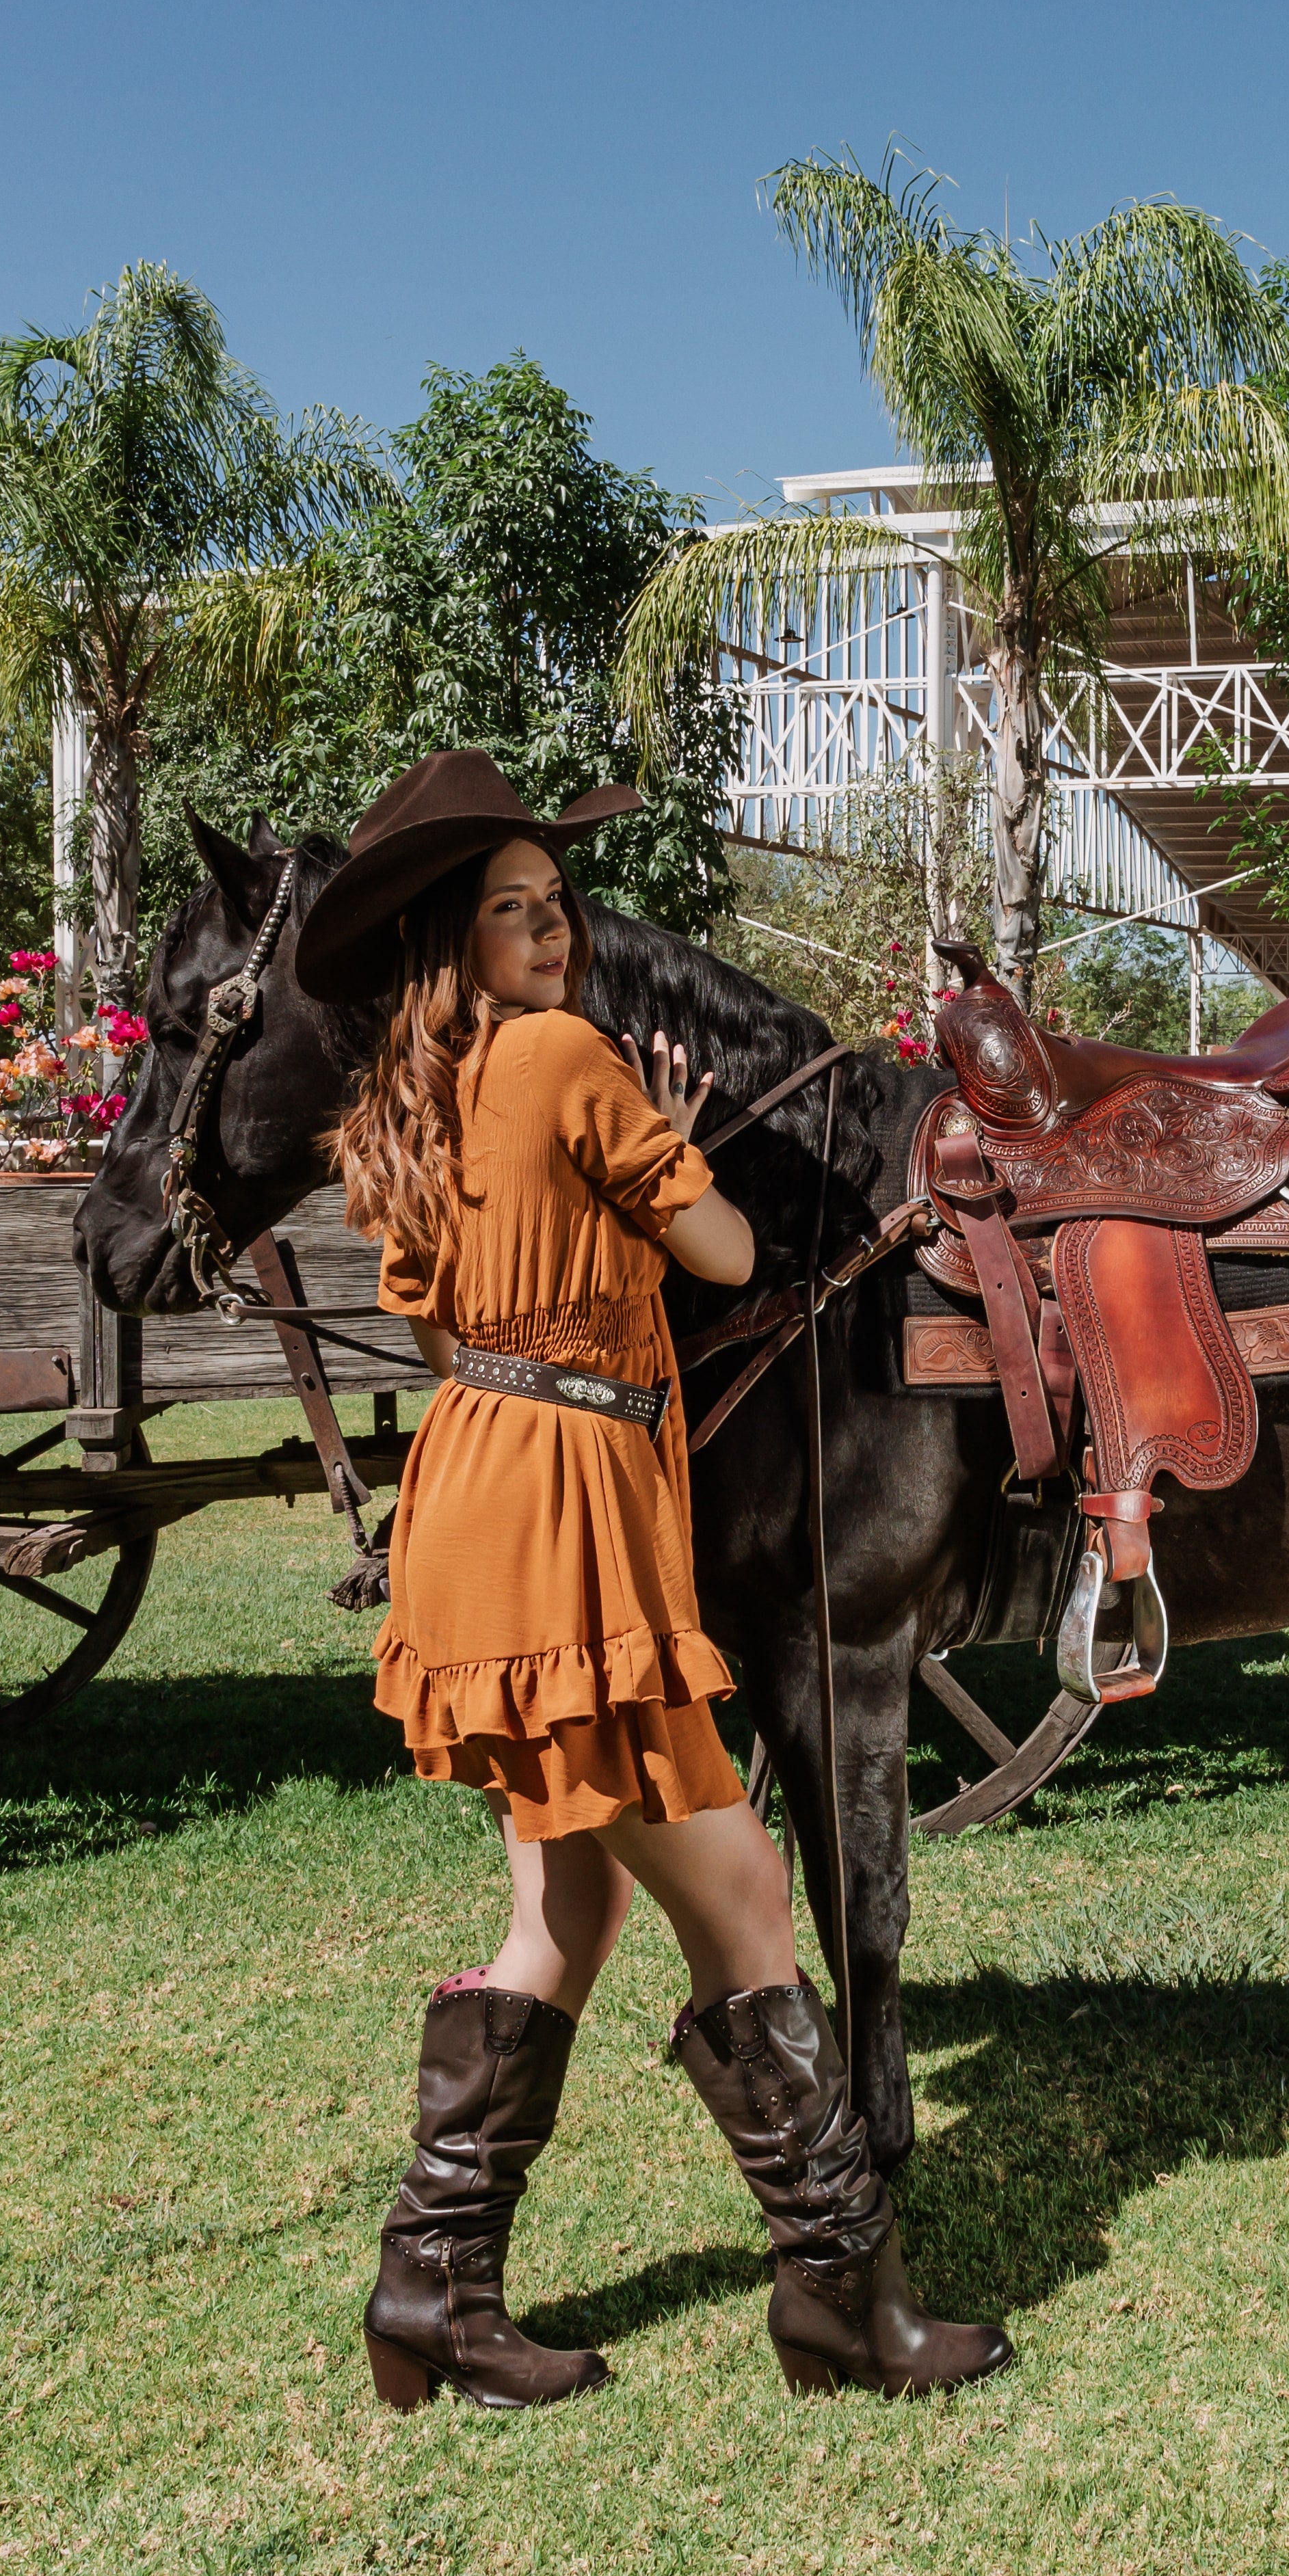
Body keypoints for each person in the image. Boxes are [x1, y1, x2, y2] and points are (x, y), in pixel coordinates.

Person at [297, 751, 1011, 2413]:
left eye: (558, 906)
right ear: (445, 939)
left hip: (480, 1486)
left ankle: (431, 2295)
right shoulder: (563, 1056)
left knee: (570, 1900)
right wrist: (666, 1162)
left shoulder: (418, 1100)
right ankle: (842, 2294)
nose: (551, 934)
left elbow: (441, 1322)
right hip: (566, 1513)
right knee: (747, 1896)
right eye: (511, 911)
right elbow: (735, 1257)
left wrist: (597, 1211)